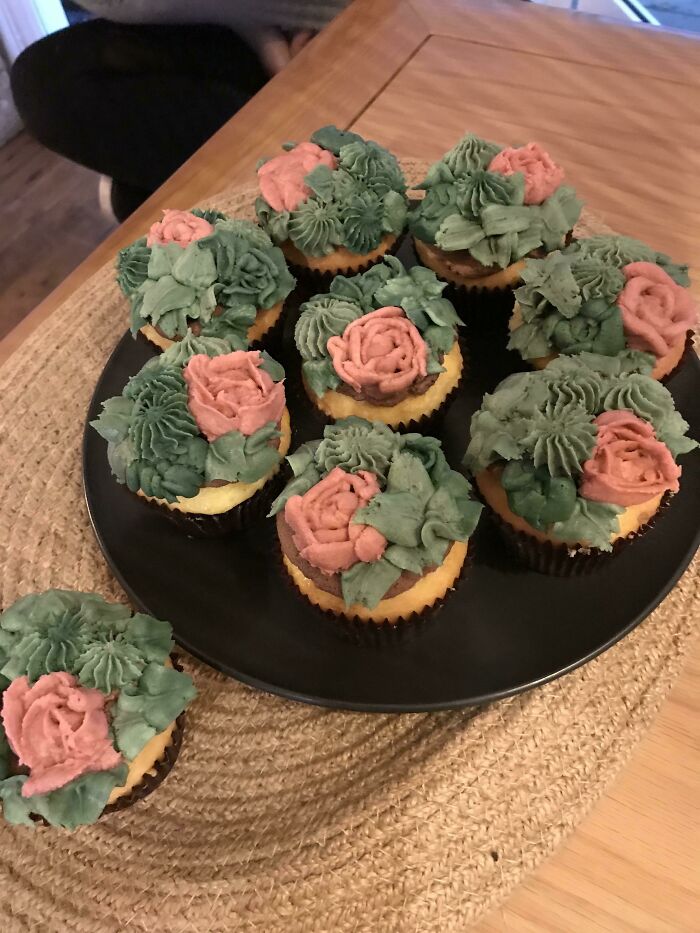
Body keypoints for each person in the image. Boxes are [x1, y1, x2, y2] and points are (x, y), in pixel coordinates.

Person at [11, 1, 349, 220]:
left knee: (139, 200)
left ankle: (314, 195)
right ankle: (290, 188)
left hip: (350, 25)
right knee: (48, 79)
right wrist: (271, 51)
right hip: (275, 30)